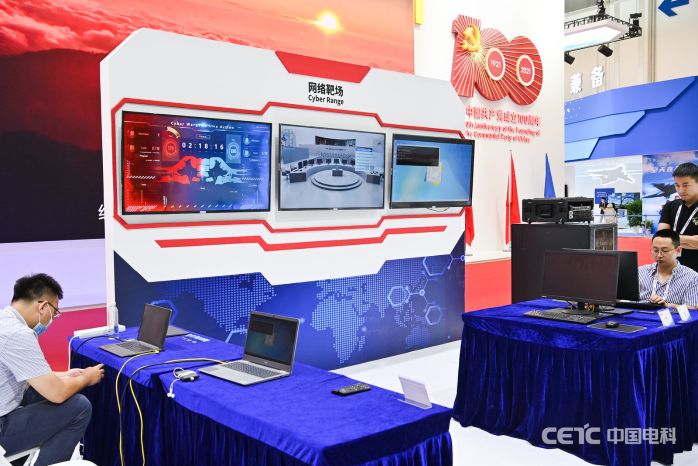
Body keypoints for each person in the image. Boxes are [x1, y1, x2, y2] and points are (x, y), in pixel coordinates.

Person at [0, 274, 104, 465]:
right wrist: (87, 378)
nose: (52, 319)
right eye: (54, 312)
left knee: (40, 393)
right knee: (79, 407)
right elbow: (57, 393)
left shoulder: (5, 321)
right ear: (42, 306)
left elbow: (25, 375)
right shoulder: (17, 334)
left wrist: (66, 375)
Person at [639, 229, 698, 309]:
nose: (659, 255)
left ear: (678, 250)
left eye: (665, 250)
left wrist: (668, 305)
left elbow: (693, 309)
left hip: (674, 317)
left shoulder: (692, 278)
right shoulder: (640, 272)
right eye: (655, 250)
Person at [657, 162, 698, 273]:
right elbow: (661, 238)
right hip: (671, 269)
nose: (680, 190)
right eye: (677, 185)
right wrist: (691, 241)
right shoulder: (669, 206)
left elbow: (667, 239)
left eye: (685, 185)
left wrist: (672, 240)